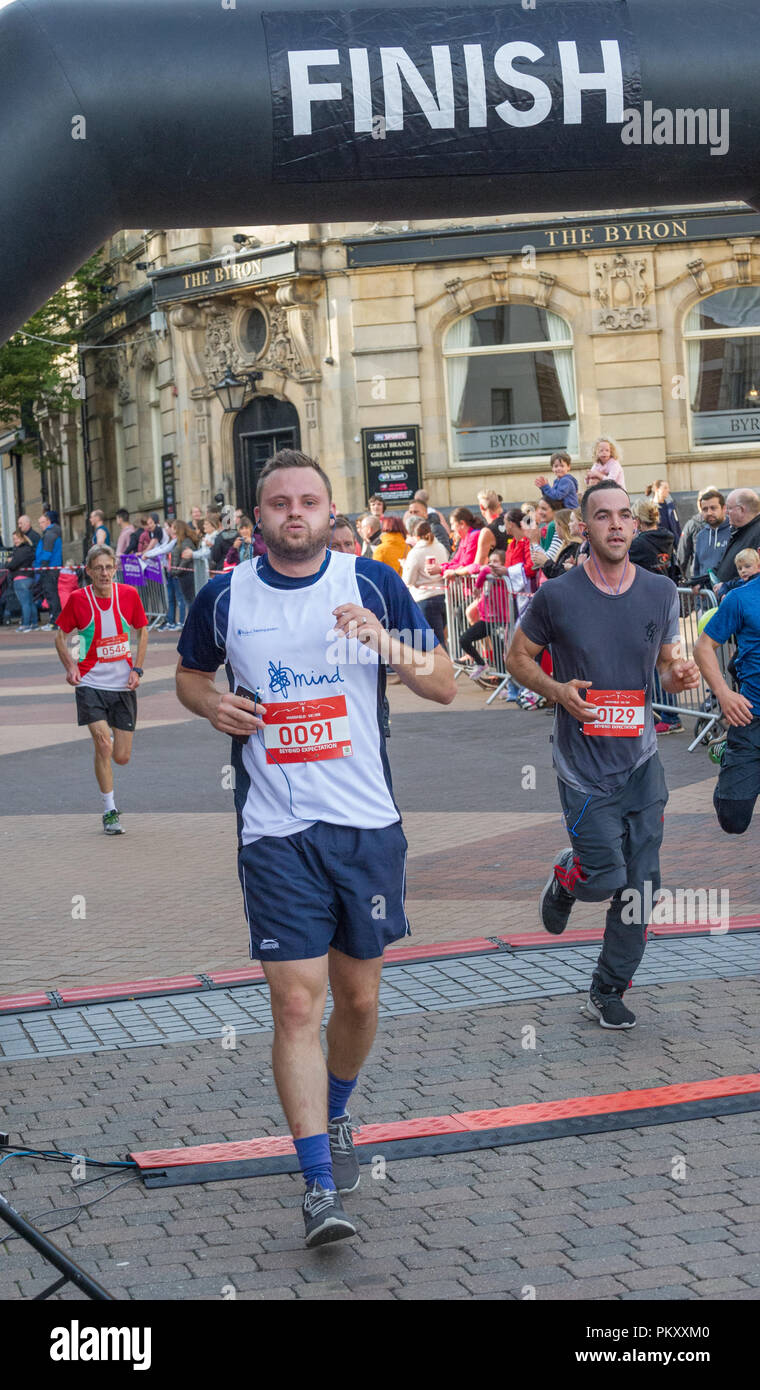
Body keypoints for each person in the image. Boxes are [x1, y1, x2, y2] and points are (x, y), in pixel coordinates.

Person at [175, 447, 455, 1247]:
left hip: (364, 826)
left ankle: (335, 1113)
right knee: (298, 1002)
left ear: (331, 512)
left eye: (308, 501)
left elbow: (443, 682)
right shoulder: (225, 595)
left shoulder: (370, 583)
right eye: (279, 503)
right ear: (256, 517)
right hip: (274, 832)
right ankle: (317, 1187)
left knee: (358, 1001)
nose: (294, 513)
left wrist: (384, 643)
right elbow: (192, 677)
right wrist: (213, 705)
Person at [506, 480, 700, 1030]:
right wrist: (557, 691)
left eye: (623, 516)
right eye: (603, 517)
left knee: (642, 887)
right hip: (584, 768)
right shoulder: (557, 596)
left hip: (641, 759)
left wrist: (676, 673)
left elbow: (665, 663)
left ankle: (607, 989)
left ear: (634, 525)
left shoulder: (660, 592)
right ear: (582, 528)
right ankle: (570, 876)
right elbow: (517, 656)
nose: (615, 525)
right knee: (605, 878)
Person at [54, 544, 148, 835]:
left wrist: (137, 669)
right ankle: (109, 810)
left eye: (109, 567)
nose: (104, 573)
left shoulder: (129, 595)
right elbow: (61, 635)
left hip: (122, 685)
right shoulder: (78, 600)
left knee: (121, 756)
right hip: (89, 682)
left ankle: (104, 746)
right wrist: (71, 665)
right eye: (99, 568)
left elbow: (142, 630)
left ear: (115, 568)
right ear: (89, 571)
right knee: (102, 743)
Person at [694, 559, 760, 836]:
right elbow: (703, 647)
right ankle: (727, 754)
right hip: (751, 715)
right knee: (733, 820)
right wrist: (723, 693)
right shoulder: (741, 597)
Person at [401, 517, 448, 648]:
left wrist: (405, 566)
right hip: (443, 596)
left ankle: (443, 668)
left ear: (415, 536)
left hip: (425, 598)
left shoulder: (415, 553)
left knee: (434, 642)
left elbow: (408, 580)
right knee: (441, 637)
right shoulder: (440, 547)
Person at [629, 498, 675, 576]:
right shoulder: (668, 537)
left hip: (647, 586)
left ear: (637, 520)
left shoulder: (637, 544)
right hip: (667, 585)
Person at [36, 509, 63, 628]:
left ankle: (55, 622)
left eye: (41, 522)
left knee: (51, 595)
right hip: (51, 568)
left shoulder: (49, 535)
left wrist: (42, 567)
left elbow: (46, 553)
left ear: (47, 521)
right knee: (52, 595)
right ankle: (56, 620)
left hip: (49, 569)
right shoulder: (52, 533)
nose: (40, 525)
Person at [676, 488, 711, 580]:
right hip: (700, 576)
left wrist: (681, 576)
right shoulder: (692, 524)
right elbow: (682, 553)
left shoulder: (691, 524)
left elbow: (682, 554)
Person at [8, 530, 37, 630]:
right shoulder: (28, 549)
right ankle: (34, 623)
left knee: (24, 603)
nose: (14, 541)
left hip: (20, 579)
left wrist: (9, 562)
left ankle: (26, 624)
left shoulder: (21, 550)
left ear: (21, 538)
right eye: (13, 539)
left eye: (16, 538)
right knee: (30, 602)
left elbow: (12, 565)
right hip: (29, 578)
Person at [646, 480, 681, 544]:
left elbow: (677, 527)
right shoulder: (649, 508)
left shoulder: (671, 507)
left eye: (668, 488)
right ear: (657, 489)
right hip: (657, 545)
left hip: (672, 545)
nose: (668, 490)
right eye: (665, 488)